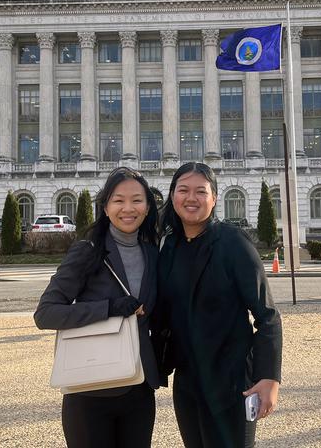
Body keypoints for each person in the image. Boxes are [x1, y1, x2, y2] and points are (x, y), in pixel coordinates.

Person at [155, 162, 283, 448]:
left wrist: (268, 377)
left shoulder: (232, 242)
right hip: (187, 380)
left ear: (214, 198)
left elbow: (268, 315)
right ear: (172, 195)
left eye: (201, 191)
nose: (191, 198)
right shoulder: (169, 247)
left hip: (232, 380)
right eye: (183, 190)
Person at [35, 167, 161, 448]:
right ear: (105, 207)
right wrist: (110, 308)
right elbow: (46, 313)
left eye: (137, 200)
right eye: (118, 200)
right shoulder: (88, 250)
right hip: (90, 388)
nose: (128, 208)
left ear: (148, 206)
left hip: (138, 388)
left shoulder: (153, 252)